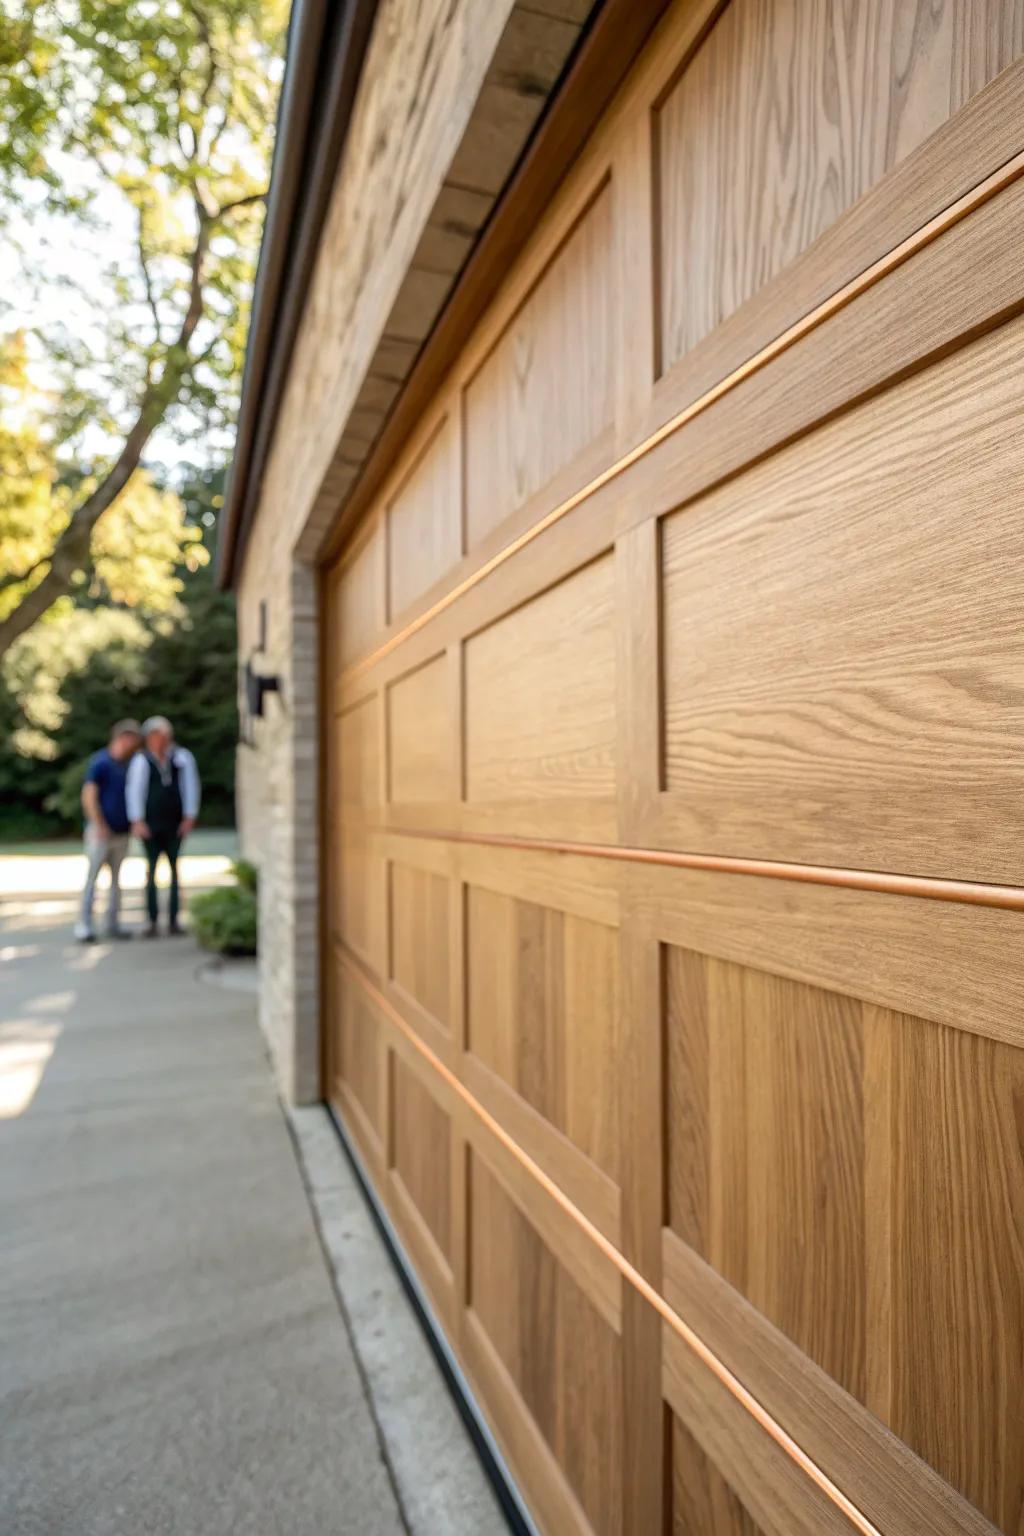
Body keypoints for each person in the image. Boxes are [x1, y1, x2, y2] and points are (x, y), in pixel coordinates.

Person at [126, 716, 201, 938]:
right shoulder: (141, 761)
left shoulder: (181, 758)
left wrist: (190, 815)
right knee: (151, 872)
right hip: (151, 823)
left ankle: (174, 919)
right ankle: (152, 919)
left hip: (174, 823)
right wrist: (137, 820)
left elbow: (190, 786)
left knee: (174, 871)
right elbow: (135, 791)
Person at [74, 719, 142, 943]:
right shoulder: (101, 762)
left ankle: (112, 923)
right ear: (122, 738)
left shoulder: (130, 764)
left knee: (116, 880)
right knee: (92, 878)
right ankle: (84, 925)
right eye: (132, 739)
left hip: (122, 831)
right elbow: (89, 796)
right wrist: (99, 824)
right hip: (101, 831)